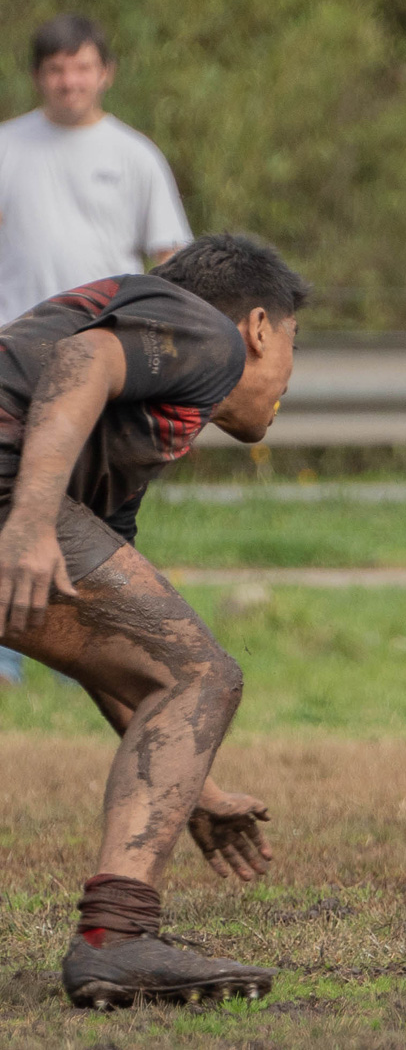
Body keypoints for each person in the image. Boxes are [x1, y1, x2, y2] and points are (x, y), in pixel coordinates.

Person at [0, 234, 303, 1008]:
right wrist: (32, 520)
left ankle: (116, 935)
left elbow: (115, 655)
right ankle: (117, 936)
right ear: (260, 327)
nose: (288, 382)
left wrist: (180, 782)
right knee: (206, 672)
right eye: (296, 346)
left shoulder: (130, 432)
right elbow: (83, 363)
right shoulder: (208, 332)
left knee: (181, 672)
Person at [0, 14, 194, 687]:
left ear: (104, 72)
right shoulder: (8, 148)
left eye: (81, 66)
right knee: (13, 494)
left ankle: (91, 639)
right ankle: (9, 648)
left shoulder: (133, 155)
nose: (69, 81)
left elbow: (171, 260)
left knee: (95, 503)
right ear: (37, 76)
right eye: (55, 68)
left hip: (104, 367)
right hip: (17, 364)